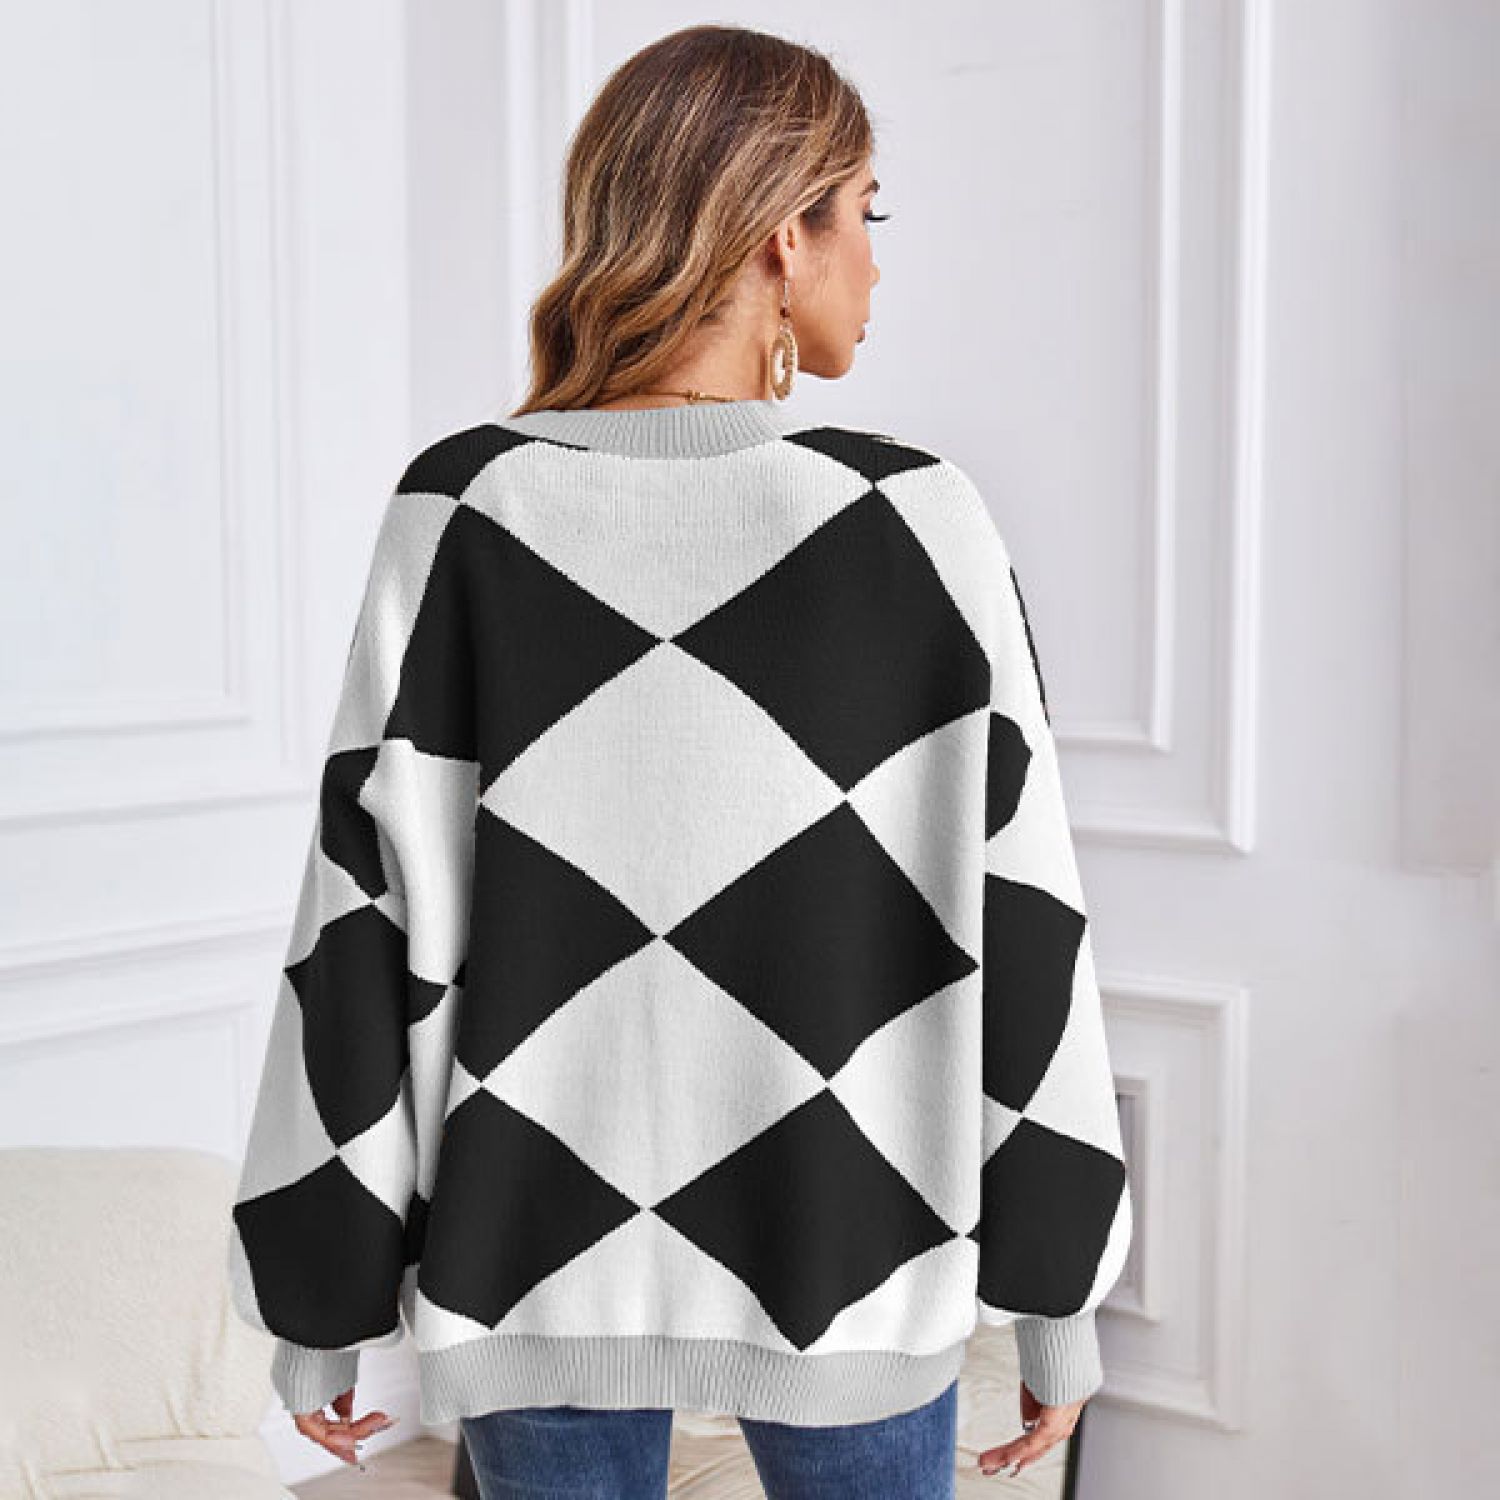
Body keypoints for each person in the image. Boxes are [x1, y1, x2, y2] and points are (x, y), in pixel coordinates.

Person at [226, 22, 1132, 1499]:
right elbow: (1026, 917)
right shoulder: (917, 524)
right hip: (855, 1253)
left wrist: (319, 1298)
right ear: (784, 237)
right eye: (867, 216)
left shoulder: (464, 510)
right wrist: (1056, 1292)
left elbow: (357, 923)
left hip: (528, 1262)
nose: (876, 265)